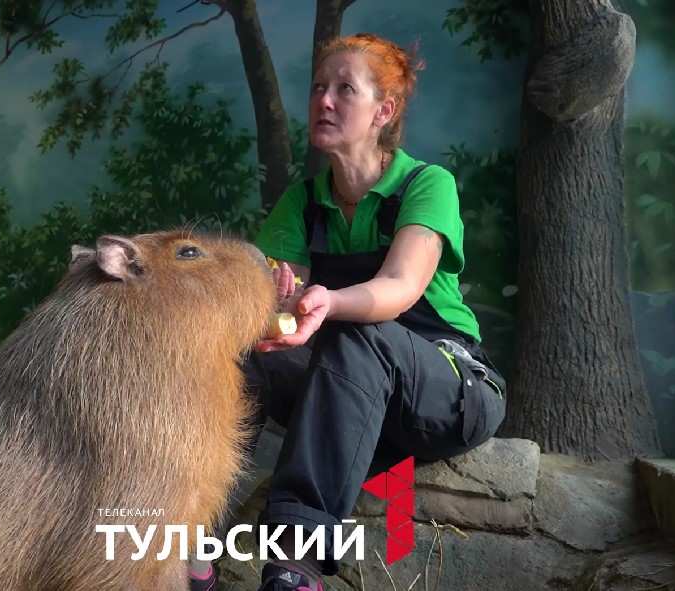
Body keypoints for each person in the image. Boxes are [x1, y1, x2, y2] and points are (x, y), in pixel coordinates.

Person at [188, 32, 507, 591]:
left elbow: (400, 286)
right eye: (318, 87)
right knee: (247, 354)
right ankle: (194, 541)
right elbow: (283, 303)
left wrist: (329, 302)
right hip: (350, 393)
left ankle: (295, 566)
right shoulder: (303, 202)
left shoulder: (426, 184)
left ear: (384, 111)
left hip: (450, 389)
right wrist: (278, 305)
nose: (324, 100)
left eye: (344, 89)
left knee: (358, 332)